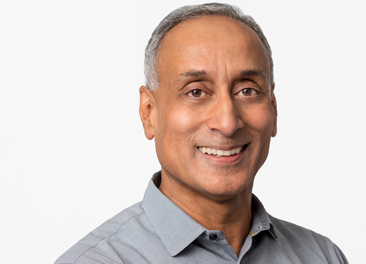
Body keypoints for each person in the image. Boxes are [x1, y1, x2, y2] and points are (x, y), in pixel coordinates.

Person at [55, 3, 349, 264]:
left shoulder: (322, 256)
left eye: (247, 90)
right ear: (148, 112)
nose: (227, 122)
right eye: (195, 91)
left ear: (273, 108)